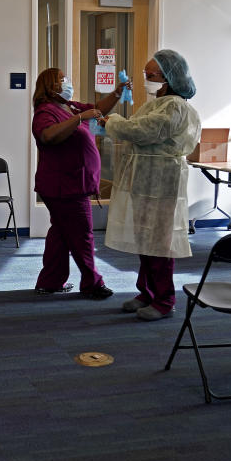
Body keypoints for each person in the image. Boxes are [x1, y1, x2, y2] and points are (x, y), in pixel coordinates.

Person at [99, 49, 202, 321]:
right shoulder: (154, 104)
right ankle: (146, 292)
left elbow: (142, 131)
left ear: (168, 76)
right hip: (144, 180)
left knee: (158, 243)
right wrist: (117, 124)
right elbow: (138, 127)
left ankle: (165, 300)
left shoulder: (176, 107)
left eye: (151, 75)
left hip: (164, 181)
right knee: (144, 239)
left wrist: (113, 122)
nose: (146, 80)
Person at [31, 67, 127, 299]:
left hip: (71, 184)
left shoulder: (69, 106)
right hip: (65, 187)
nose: (68, 83)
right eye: (63, 80)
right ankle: (93, 283)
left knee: (62, 233)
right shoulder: (46, 111)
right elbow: (48, 135)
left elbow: (97, 110)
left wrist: (117, 93)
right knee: (82, 235)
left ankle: (50, 281)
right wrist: (78, 119)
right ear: (51, 86)